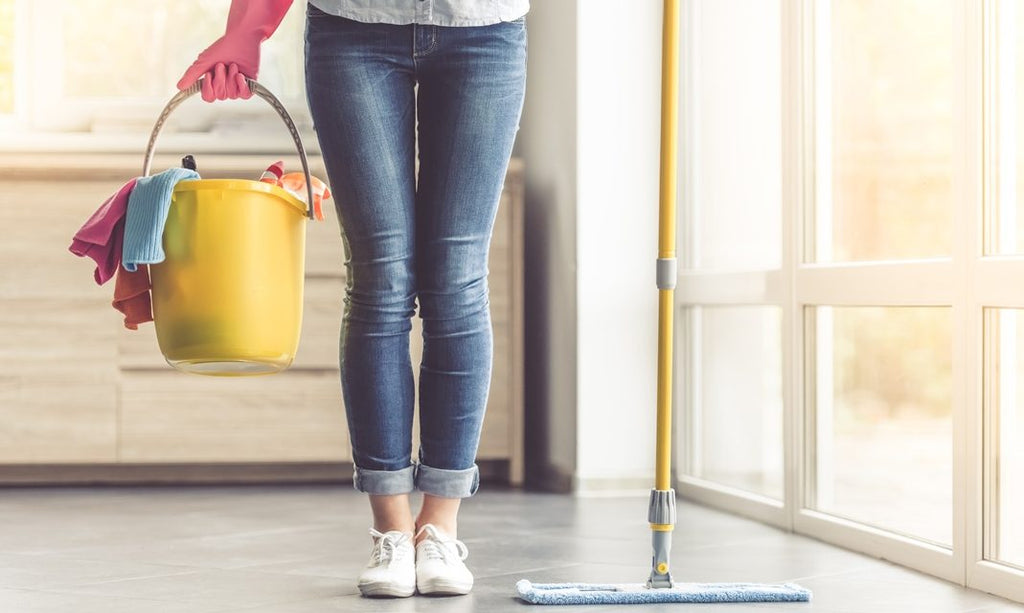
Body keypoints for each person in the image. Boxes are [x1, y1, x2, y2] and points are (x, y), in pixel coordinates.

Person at [177, 0, 528, 599]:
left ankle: (438, 528)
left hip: (484, 30)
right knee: (381, 276)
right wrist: (247, 29)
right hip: (354, 29)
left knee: (456, 279)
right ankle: (391, 530)